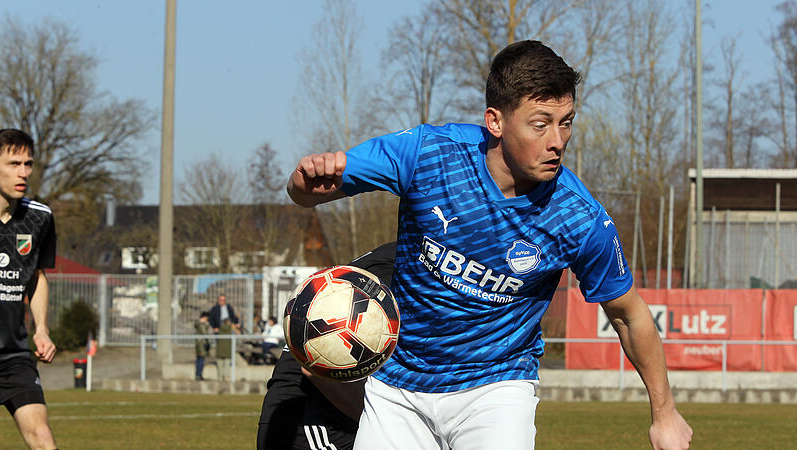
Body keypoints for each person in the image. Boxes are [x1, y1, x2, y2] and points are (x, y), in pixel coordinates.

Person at [287, 41, 693, 449]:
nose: (558, 141)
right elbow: (308, 193)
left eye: (566, 122)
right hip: (397, 387)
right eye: (541, 124)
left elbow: (628, 315)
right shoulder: (428, 154)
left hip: (496, 390)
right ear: (495, 121)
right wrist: (304, 184)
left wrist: (665, 414)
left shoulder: (579, 218)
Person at [257, 241, 396, 450]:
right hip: (311, 422)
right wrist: (386, 427)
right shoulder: (395, 268)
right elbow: (317, 363)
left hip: (333, 415)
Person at [0, 129, 58, 449]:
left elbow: (36, 276)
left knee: (41, 436)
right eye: (13, 164)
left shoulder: (39, 218)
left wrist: (42, 330)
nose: (23, 172)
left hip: (13, 355)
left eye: (28, 164)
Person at [194, 311, 212, 381]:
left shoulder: (198, 324)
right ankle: (199, 374)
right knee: (201, 360)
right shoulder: (202, 324)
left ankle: (198, 374)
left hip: (199, 343)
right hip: (202, 344)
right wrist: (207, 324)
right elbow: (204, 333)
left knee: (199, 359)